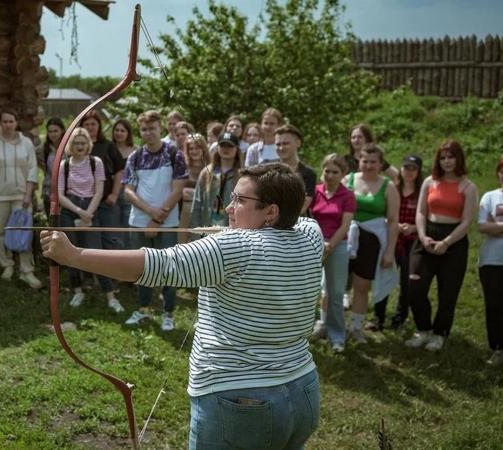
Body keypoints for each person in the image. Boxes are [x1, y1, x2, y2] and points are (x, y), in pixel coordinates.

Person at [40, 163, 323, 449]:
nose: (229, 208)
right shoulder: (311, 235)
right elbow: (297, 222)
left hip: (240, 401)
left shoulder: (235, 246)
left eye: (240, 200)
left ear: (271, 212)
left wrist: (73, 255)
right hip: (303, 390)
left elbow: (157, 265)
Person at [406, 140, 478, 352]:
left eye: (451, 157)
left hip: (454, 242)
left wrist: (446, 242)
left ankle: (440, 333)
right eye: (443, 158)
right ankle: (423, 329)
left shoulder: (469, 187)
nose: (447, 162)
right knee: (415, 288)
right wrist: (423, 236)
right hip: (426, 236)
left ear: (459, 159)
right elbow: (421, 212)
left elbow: (467, 222)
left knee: (448, 293)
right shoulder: (429, 182)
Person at [122, 110, 188, 331]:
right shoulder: (134, 157)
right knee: (142, 269)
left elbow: (178, 190)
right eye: (144, 129)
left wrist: (158, 219)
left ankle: (168, 313)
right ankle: (143, 309)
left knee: (168, 269)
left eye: (152, 128)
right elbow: (128, 190)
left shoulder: (174, 154)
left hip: (168, 222)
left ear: (161, 128)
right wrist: (150, 212)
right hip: (138, 221)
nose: (148, 132)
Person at [57, 128, 124, 313]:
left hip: (91, 209)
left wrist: (88, 213)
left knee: (96, 253)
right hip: (70, 210)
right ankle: (77, 291)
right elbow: (60, 195)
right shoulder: (64, 165)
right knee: (70, 252)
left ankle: (111, 297)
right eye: (76, 143)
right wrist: (79, 211)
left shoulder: (96, 162)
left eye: (83, 143)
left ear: (88, 144)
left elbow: (99, 191)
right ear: (70, 145)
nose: (80, 146)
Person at [0, 108, 42, 289]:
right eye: (4, 121)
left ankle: (27, 271)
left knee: (23, 231)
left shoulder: (26, 143)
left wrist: (28, 194)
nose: (8, 125)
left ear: (16, 123)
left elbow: (32, 169)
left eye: (11, 121)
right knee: (0, 232)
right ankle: (7, 265)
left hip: (21, 195)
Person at [345, 143, 400, 344]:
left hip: (372, 241)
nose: (368, 165)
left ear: (381, 164)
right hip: (346, 237)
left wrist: (389, 252)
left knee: (362, 285)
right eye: (365, 161)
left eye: (373, 162)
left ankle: (356, 327)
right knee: (337, 283)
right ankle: (330, 325)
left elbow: (393, 221)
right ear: (359, 161)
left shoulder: (389, 187)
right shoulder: (348, 180)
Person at [369, 154, 425, 331]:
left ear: (418, 172)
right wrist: (394, 224)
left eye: (413, 169)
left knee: (407, 282)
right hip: (391, 238)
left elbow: (426, 217)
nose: (409, 172)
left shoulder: (422, 192)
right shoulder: (392, 188)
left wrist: (414, 228)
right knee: (384, 277)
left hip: (412, 242)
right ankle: (378, 317)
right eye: (406, 167)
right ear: (401, 169)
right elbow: (382, 212)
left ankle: (400, 318)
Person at [310, 154, 356, 352]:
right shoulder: (316, 191)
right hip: (313, 245)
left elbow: (345, 225)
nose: (329, 175)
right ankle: (315, 327)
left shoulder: (348, 195)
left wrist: (330, 245)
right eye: (327, 171)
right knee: (311, 291)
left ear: (343, 174)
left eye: (335, 172)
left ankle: (337, 336)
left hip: (337, 246)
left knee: (335, 294)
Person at [81, 110, 126, 254]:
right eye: (87, 124)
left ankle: (117, 268)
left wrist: (114, 194)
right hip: (85, 204)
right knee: (90, 242)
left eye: (93, 124)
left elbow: (120, 170)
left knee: (112, 239)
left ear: (99, 125)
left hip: (106, 202)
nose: (90, 127)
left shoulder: (108, 145)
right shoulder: (78, 146)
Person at [478, 157, 503, 366]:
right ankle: (498, 348)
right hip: (492, 260)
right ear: (498, 174)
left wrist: (496, 226)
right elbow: (482, 226)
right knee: (494, 305)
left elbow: (490, 226)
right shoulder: (489, 197)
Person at [190, 131, 242, 229]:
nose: (226, 149)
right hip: (207, 226)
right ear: (217, 147)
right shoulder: (206, 172)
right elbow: (197, 202)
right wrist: (195, 230)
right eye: (222, 145)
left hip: (231, 228)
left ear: (237, 149)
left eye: (230, 146)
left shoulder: (242, 175)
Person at [274, 124, 316, 215]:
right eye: (278, 144)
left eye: (286, 143)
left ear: (298, 143)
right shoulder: (270, 171)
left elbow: (303, 207)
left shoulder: (308, 173)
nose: (281, 148)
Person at [179, 133, 211, 243]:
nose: (194, 151)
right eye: (191, 149)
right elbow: (178, 191)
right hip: (185, 212)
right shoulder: (183, 167)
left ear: (203, 149)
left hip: (205, 210)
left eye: (197, 148)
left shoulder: (210, 167)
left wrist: (191, 192)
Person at [112, 119, 138, 232]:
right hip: (112, 193)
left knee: (128, 227)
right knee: (114, 228)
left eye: (122, 131)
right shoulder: (110, 148)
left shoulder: (135, 150)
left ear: (128, 133)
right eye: (116, 130)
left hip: (129, 193)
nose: (119, 133)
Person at [39, 117, 65, 212]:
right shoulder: (44, 148)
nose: (53, 134)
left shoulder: (69, 147)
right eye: (50, 131)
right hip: (49, 192)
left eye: (55, 131)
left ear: (62, 131)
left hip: (67, 192)